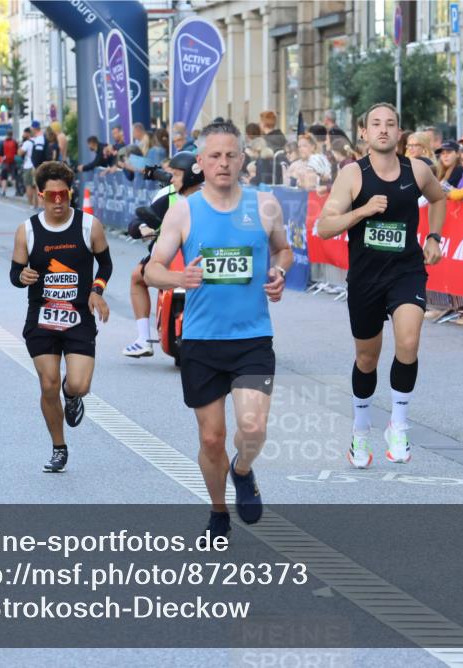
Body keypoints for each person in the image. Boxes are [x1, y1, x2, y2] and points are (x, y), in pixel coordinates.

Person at [144, 121, 293, 541]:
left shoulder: (264, 205)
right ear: (201, 162)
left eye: (231, 155)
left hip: (252, 339)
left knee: (253, 429)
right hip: (202, 341)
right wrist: (179, 278)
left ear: (242, 159)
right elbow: (152, 270)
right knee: (212, 439)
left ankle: (242, 471)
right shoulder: (183, 211)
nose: (223, 163)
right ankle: (218, 511)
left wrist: (279, 271)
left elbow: (283, 249)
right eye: (215, 156)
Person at [318, 102, 446, 468]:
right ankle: (360, 431)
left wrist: (434, 236)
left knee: (408, 342)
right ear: (364, 132)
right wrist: (362, 210)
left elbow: (438, 198)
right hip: (366, 277)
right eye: (376, 124)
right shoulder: (352, 175)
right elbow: (325, 227)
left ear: (400, 132)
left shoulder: (417, 170)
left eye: (390, 123)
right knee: (366, 358)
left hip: (406, 271)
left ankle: (399, 425)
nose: (384, 129)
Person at [10, 161, 112, 473]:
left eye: (63, 195)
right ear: (40, 195)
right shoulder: (27, 230)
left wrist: (96, 289)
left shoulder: (89, 225)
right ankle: (59, 447)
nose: (58, 202)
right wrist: (22, 277)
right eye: (51, 196)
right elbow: (15, 273)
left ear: (70, 194)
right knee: (48, 383)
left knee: (78, 384)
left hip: (79, 316)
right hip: (42, 316)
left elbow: (105, 264)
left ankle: (72, 396)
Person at [124, 151, 205, 357]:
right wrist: (142, 228)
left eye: (176, 174)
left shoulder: (211, 196)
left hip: (203, 255)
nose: (172, 179)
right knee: (137, 277)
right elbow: (137, 221)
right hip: (169, 253)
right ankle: (144, 339)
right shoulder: (168, 195)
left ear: (190, 176)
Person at [21, 121, 46, 208]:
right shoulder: (38, 139)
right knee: (36, 186)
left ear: (34, 128)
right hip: (35, 166)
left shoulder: (37, 139)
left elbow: (38, 154)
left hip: (32, 166)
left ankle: (33, 205)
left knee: (30, 186)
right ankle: (37, 205)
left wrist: (36, 165)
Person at [0, 130, 19, 195]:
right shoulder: (15, 142)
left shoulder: (3, 142)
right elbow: (17, 151)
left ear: (6, 134)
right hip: (13, 161)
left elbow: (0, 153)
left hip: (5, 162)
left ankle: (4, 191)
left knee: (4, 177)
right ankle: (16, 191)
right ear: (12, 135)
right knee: (14, 176)